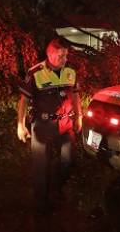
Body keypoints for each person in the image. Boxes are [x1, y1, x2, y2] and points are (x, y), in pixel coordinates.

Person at [17, 38, 82, 213]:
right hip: (43, 124)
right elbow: (23, 100)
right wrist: (20, 124)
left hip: (66, 124)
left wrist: (79, 116)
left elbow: (75, 94)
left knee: (68, 160)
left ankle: (56, 188)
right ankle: (41, 203)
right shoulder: (35, 72)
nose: (65, 59)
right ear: (50, 54)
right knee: (41, 165)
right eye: (61, 56)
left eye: (66, 56)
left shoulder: (70, 71)